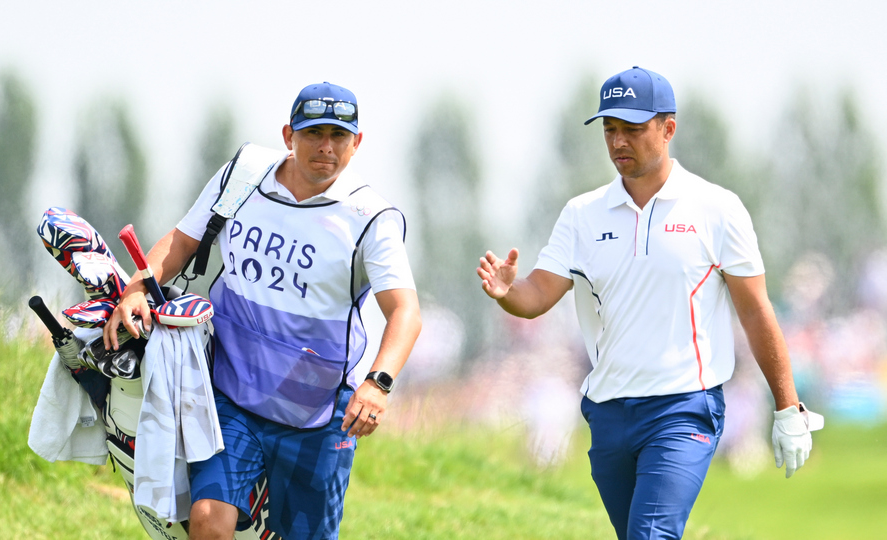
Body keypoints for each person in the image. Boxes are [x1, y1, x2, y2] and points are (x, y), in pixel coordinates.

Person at [477, 66, 821, 540]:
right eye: (610, 130)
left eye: (633, 130)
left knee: (652, 533)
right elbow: (538, 294)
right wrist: (507, 292)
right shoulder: (581, 214)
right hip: (609, 410)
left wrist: (787, 409)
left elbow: (756, 310)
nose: (619, 142)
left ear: (668, 128)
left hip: (684, 407)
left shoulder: (717, 208)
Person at [105, 81, 422, 540]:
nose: (326, 148)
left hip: (318, 411)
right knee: (209, 522)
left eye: (339, 136)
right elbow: (181, 242)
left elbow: (405, 313)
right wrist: (136, 289)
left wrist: (378, 384)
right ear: (289, 134)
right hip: (232, 394)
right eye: (314, 134)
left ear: (357, 143)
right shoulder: (244, 174)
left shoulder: (371, 216)